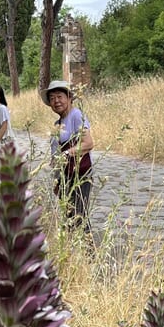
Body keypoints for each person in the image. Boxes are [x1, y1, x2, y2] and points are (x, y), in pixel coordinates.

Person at [46, 79, 94, 233]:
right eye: (52, 98)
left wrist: (67, 153)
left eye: (59, 96)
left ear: (69, 97)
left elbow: (88, 143)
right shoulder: (58, 123)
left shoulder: (76, 115)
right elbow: (55, 155)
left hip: (80, 175)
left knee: (79, 217)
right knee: (69, 218)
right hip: (65, 178)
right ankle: (75, 255)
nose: (56, 101)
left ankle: (89, 255)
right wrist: (56, 180)